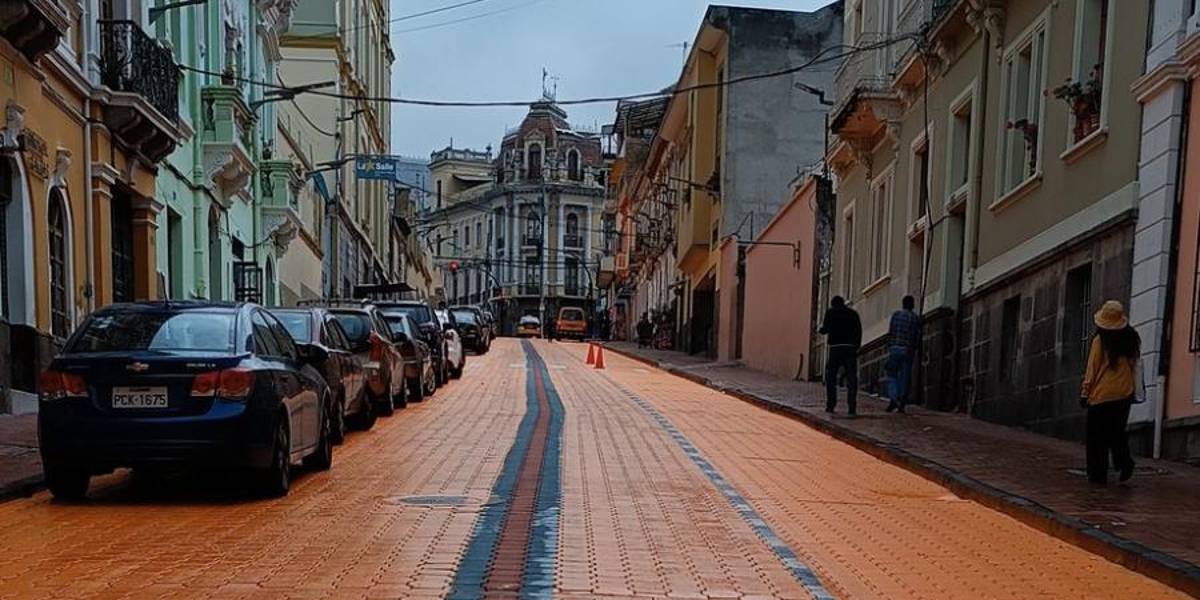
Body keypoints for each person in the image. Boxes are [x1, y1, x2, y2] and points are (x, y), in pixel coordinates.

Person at [1080, 300, 1140, 485]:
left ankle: (1098, 474)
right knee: (1117, 433)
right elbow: (1134, 365)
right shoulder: (1131, 338)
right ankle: (1124, 463)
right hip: (1124, 393)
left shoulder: (1100, 340)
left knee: (1096, 437)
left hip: (1102, 395)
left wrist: (1085, 392)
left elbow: (1093, 368)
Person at [819, 296, 862, 416]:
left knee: (831, 376)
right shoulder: (853, 314)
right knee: (851, 377)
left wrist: (820, 329)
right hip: (850, 348)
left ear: (833, 304)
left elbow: (825, 329)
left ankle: (831, 404)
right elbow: (859, 331)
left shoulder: (831, 312)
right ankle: (852, 406)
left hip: (835, 348)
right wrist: (856, 346)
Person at [885, 295, 922, 413]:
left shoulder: (895, 315)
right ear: (912, 305)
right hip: (907, 349)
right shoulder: (915, 318)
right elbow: (917, 336)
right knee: (905, 376)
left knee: (892, 375)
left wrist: (889, 345)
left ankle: (893, 397)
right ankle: (901, 400)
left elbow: (890, 332)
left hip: (894, 348)